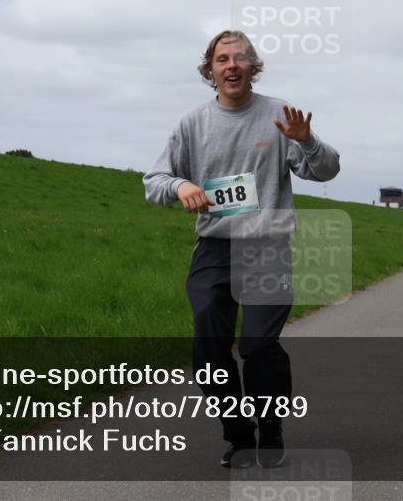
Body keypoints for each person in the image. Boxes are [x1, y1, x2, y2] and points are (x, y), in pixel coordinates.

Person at [143, 29, 341, 469]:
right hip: (214, 249)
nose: (231, 65)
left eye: (240, 58)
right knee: (209, 350)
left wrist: (306, 140)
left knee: (257, 346)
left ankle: (271, 431)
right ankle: (239, 437)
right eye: (221, 59)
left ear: (254, 66)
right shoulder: (191, 124)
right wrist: (181, 186)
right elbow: (153, 183)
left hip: (268, 246)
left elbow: (326, 171)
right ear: (209, 70)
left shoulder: (279, 116)